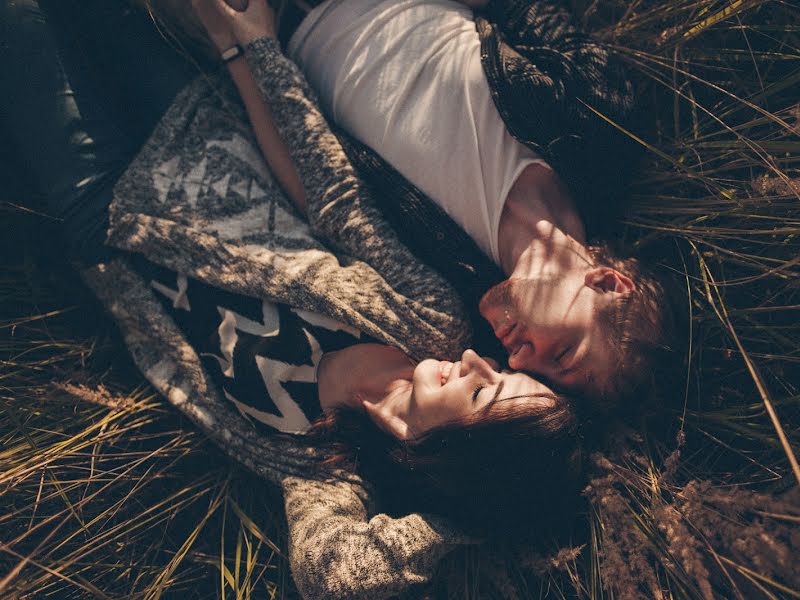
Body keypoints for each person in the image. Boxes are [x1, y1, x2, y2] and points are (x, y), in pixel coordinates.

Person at [1, 1, 586, 596]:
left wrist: (468, 521)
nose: (475, 359)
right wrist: (247, 52)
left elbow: (332, 577)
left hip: (103, 216)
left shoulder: (324, 468)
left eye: (484, 390)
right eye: (498, 368)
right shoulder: (429, 322)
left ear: (465, 462)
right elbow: (329, 197)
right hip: (197, 135)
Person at [185, 0, 682, 408]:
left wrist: (242, 48)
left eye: (541, 377)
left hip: (271, 30)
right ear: (607, 283)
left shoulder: (447, 286)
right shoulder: (598, 134)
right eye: (564, 355)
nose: (523, 362)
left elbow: (318, 190)